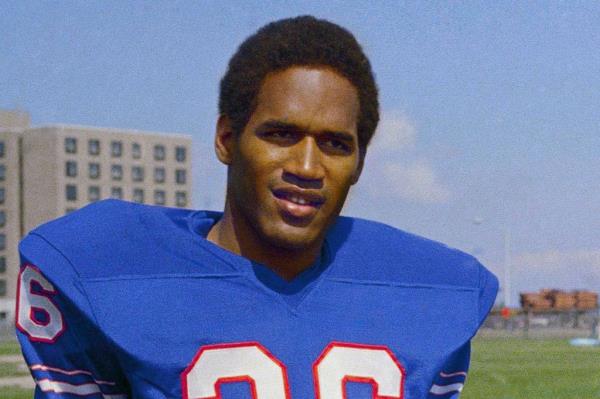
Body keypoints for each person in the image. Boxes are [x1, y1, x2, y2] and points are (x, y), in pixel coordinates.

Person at [16, 16, 497, 399]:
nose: (307, 165)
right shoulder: (103, 268)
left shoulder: (432, 291)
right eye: (281, 135)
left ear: (359, 163)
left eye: (334, 144)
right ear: (227, 139)